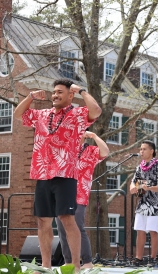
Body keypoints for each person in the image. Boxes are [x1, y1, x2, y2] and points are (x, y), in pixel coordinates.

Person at [14, 79, 102, 271]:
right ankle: (46, 266)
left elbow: (96, 111)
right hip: (42, 173)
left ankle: (76, 266)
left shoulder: (77, 113)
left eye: (60, 92)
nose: (55, 95)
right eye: (54, 92)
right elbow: (19, 115)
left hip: (65, 174)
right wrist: (30, 97)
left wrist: (83, 92)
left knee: (66, 218)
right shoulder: (42, 114)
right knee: (43, 220)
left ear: (70, 95)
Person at [56, 131, 109, 269]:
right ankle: (68, 262)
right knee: (62, 228)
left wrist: (95, 137)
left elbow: (105, 152)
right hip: (62, 193)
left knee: (77, 226)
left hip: (80, 194)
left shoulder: (90, 151)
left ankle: (87, 262)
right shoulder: (64, 150)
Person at [129, 140, 158, 266]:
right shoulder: (140, 167)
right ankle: (138, 258)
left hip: (156, 203)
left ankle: (153, 258)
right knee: (140, 230)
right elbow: (133, 182)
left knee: (152, 231)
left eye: (144, 149)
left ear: (152, 151)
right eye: (140, 149)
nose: (141, 151)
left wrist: (149, 187)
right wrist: (133, 187)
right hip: (143, 203)